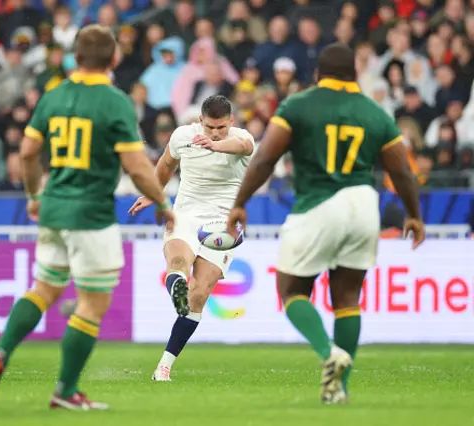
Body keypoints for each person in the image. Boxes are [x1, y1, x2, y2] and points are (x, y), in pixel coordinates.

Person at [0, 24, 174, 411]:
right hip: (91, 213)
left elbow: (29, 152)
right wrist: (161, 202)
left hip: (53, 208)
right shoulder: (115, 101)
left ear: (74, 58)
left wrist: (34, 195)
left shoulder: (54, 95)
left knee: (43, 289)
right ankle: (65, 390)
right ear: (114, 59)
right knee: (92, 304)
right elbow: (134, 163)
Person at [226, 43, 425, 404]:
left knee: (291, 291)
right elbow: (401, 169)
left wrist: (240, 202)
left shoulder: (299, 105)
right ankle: (339, 389)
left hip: (318, 204)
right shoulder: (375, 112)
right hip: (365, 205)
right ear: (354, 74)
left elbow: (265, 158)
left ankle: (328, 352)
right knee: (348, 298)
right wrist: (413, 213)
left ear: (319, 73)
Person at [128, 94, 255, 382]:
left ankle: (164, 366)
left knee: (200, 294)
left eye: (221, 127)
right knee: (177, 260)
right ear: (200, 121)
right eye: (210, 128)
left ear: (231, 122)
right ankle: (177, 288)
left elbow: (244, 146)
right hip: (185, 213)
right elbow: (165, 165)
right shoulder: (183, 136)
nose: (215, 132)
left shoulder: (240, 138)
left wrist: (217, 144)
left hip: (221, 223)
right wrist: (152, 194)